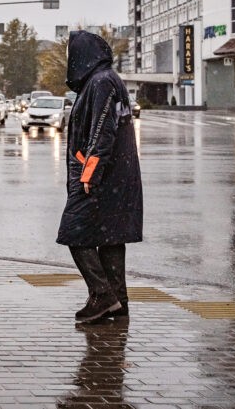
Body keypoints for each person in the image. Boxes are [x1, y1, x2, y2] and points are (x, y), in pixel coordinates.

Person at [57, 30, 143, 323]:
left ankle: (103, 295)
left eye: (71, 55)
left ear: (82, 55)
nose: (70, 61)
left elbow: (102, 132)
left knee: (73, 232)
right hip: (114, 177)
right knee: (110, 237)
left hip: (100, 178)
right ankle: (118, 301)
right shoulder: (103, 80)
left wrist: (89, 175)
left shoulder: (101, 82)